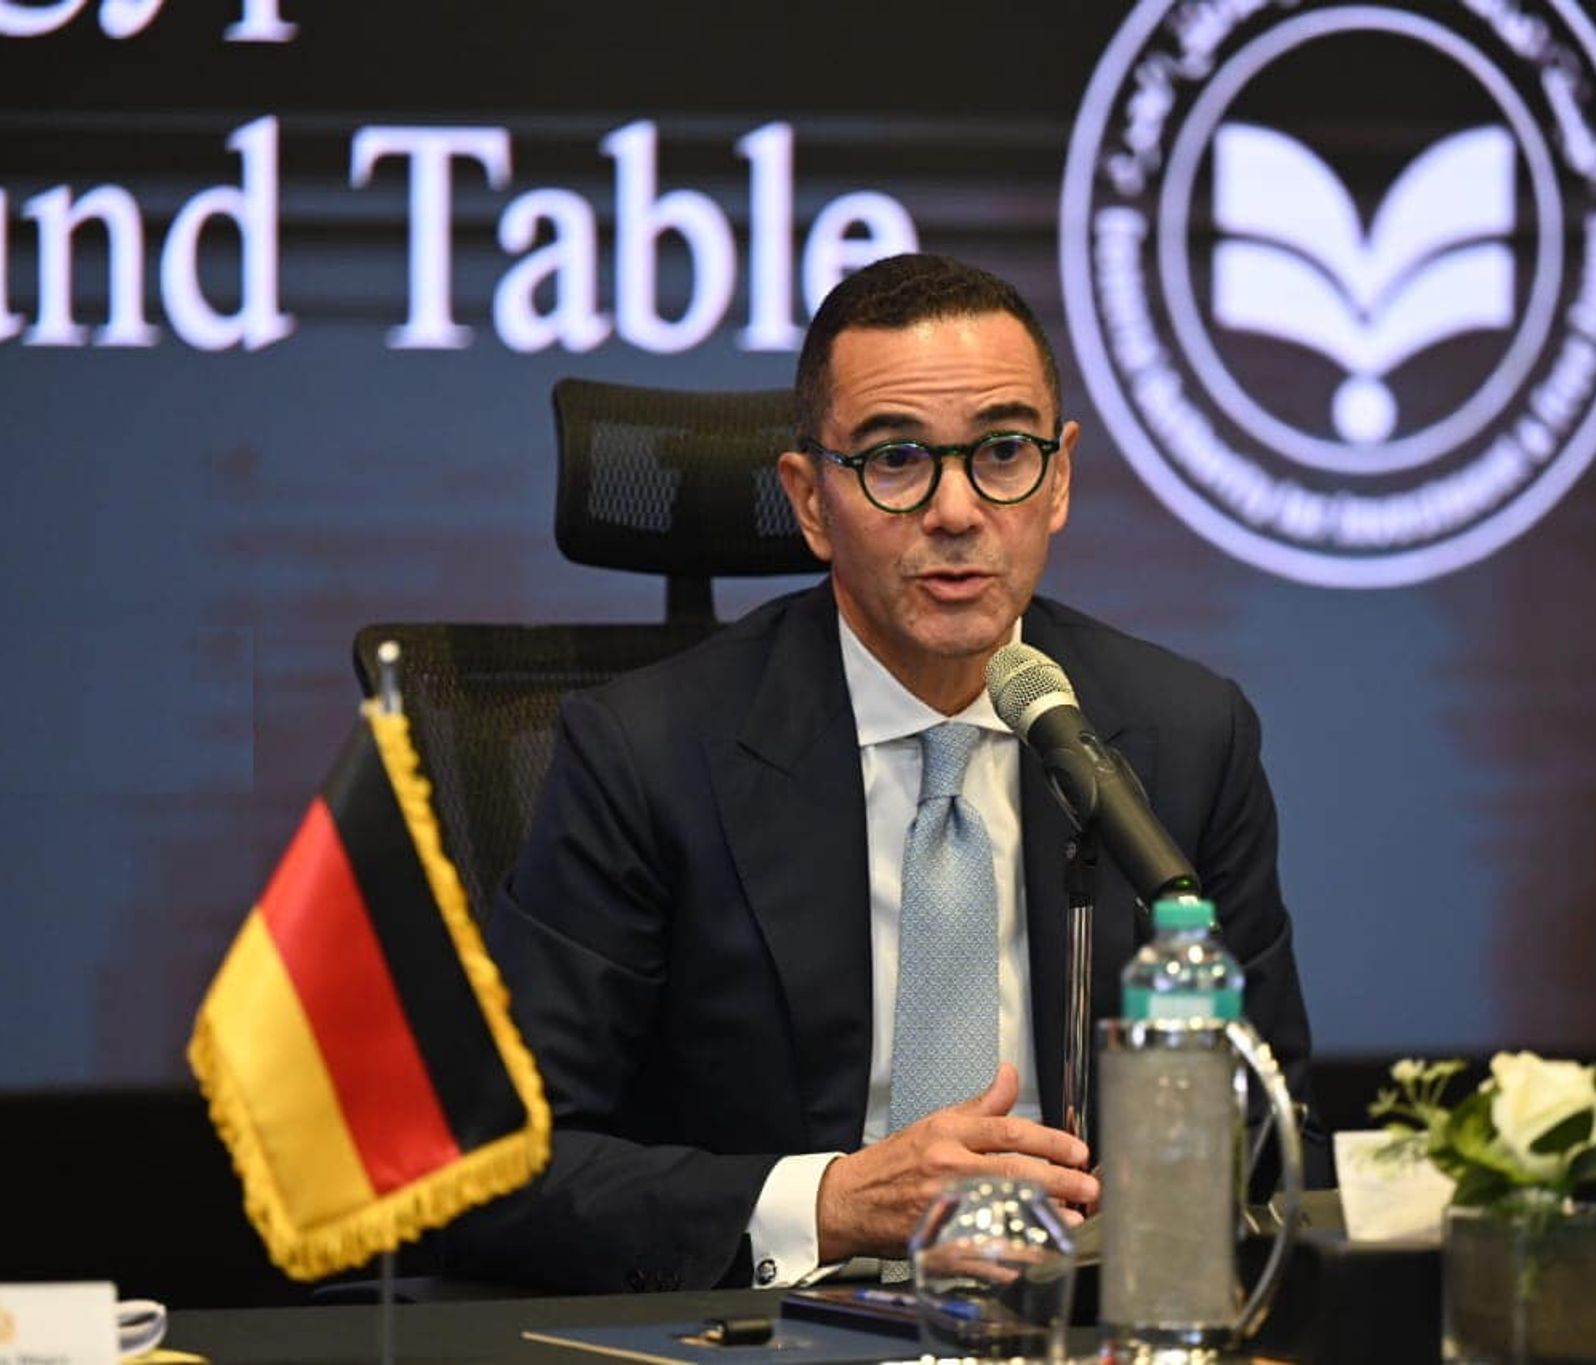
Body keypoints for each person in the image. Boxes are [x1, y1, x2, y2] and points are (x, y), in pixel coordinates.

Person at [443, 253, 1321, 1294]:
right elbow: (497, 1170)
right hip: (785, 1330)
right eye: (896, 459)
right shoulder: (645, 756)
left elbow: (1274, 1134)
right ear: (810, 501)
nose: (956, 510)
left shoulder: (1182, 737)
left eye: (1003, 451)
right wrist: (830, 1203)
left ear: (1059, 479)